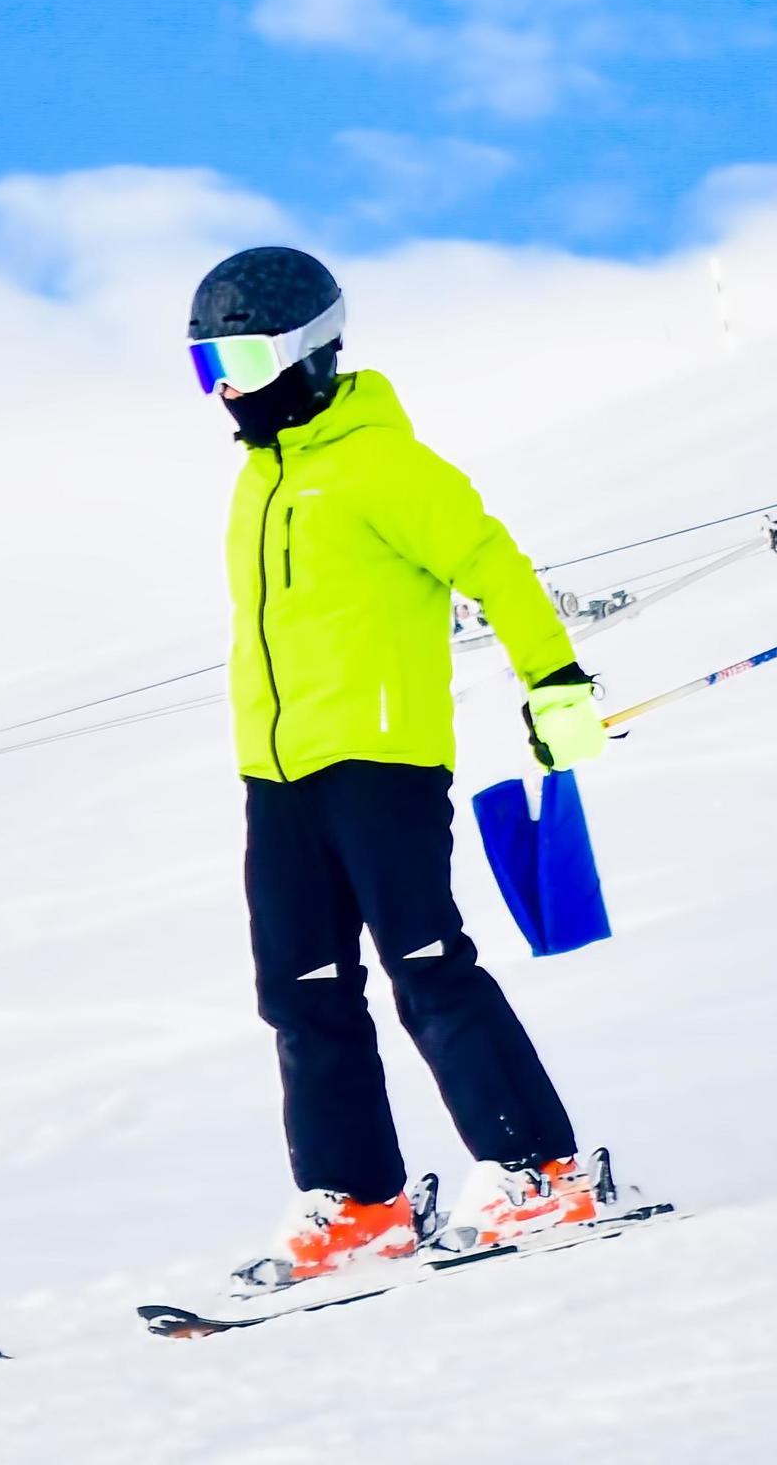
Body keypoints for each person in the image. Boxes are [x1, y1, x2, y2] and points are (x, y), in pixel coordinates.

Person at [187, 245, 611, 1295]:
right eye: (206, 367)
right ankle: (359, 1200)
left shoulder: (385, 463)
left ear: (305, 350)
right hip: (277, 775)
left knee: (428, 968)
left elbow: (492, 560)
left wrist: (553, 679)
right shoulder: (257, 484)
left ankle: (538, 1168)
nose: (226, 386)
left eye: (238, 356)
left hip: (382, 759)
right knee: (299, 990)